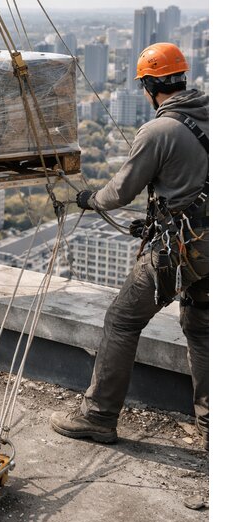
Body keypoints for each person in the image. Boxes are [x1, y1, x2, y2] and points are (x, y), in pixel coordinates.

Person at [50, 43, 209, 449]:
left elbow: (120, 191)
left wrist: (90, 199)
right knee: (203, 328)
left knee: (122, 319)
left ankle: (99, 416)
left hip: (184, 247)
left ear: (150, 85)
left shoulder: (160, 130)